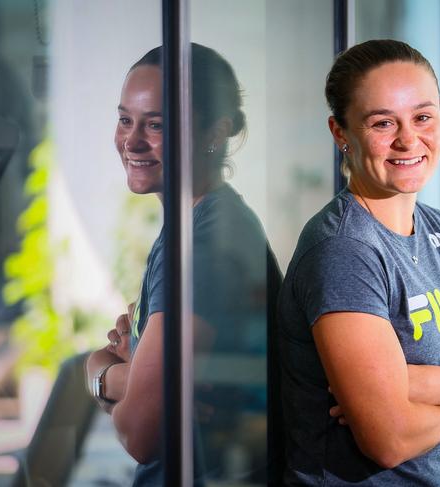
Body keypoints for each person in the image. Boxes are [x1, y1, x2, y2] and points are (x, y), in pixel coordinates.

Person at [277, 39, 440, 486]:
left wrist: (435, 382)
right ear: (340, 133)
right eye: (382, 123)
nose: (408, 139)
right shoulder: (344, 251)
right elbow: (389, 439)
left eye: (423, 116)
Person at [86, 43, 275, 485]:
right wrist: (129, 373)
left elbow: (140, 432)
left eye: (156, 124)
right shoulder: (198, 225)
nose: (131, 141)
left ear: (215, 133)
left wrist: (105, 377)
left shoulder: (206, 246)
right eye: (124, 119)